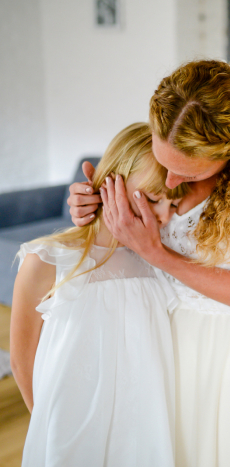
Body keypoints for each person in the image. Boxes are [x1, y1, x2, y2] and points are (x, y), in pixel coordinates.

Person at [67, 60, 230, 467]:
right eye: (162, 161)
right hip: (149, 338)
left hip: (228, 356)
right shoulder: (172, 136)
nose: (168, 182)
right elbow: (120, 224)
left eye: (184, 171)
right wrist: (91, 206)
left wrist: (157, 253)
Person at [11, 123, 187, 466]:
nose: (163, 217)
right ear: (110, 182)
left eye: (173, 205)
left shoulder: (160, 262)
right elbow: (21, 361)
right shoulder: (46, 260)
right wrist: (50, 426)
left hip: (144, 429)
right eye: (152, 199)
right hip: (71, 431)